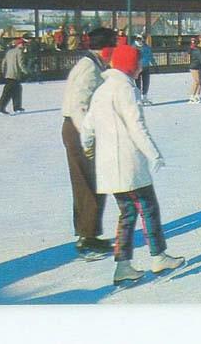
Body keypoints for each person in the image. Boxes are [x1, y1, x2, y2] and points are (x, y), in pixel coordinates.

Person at [81, 44, 185, 285]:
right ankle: (158, 256)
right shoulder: (126, 89)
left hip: (109, 165)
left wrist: (87, 145)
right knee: (148, 208)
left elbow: (88, 125)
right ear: (131, 65)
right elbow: (136, 126)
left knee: (127, 214)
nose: (141, 69)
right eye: (139, 64)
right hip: (128, 163)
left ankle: (123, 266)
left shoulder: (103, 89)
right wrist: (153, 154)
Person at [61, 27, 118, 259]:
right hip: (79, 130)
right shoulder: (88, 68)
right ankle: (86, 240)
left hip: (84, 130)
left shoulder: (93, 64)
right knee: (87, 183)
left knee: (95, 182)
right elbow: (79, 106)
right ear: (106, 48)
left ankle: (90, 234)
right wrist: (88, 137)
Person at [0, 38, 27, 114]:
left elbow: (4, 63)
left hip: (8, 74)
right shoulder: (19, 52)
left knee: (17, 90)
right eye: (23, 44)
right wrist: (26, 71)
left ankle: (17, 107)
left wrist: (4, 72)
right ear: (19, 44)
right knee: (8, 92)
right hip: (15, 74)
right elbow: (20, 63)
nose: (24, 45)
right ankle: (0, 108)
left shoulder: (9, 51)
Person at [133, 34, 156, 105]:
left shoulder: (146, 47)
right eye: (138, 40)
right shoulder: (133, 47)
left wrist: (153, 63)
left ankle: (144, 97)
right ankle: (138, 98)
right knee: (137, 83)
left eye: (141, 39)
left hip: (146, 67)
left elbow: (150, 55)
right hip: (137, 67)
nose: (140, 41)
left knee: (146, 82)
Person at [188, 36, 201, 103]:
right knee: (197, 81)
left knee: (200, 81)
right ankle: (192, 96)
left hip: (198, 67)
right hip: (194, 67)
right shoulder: (198, 50)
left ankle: (197, 95)